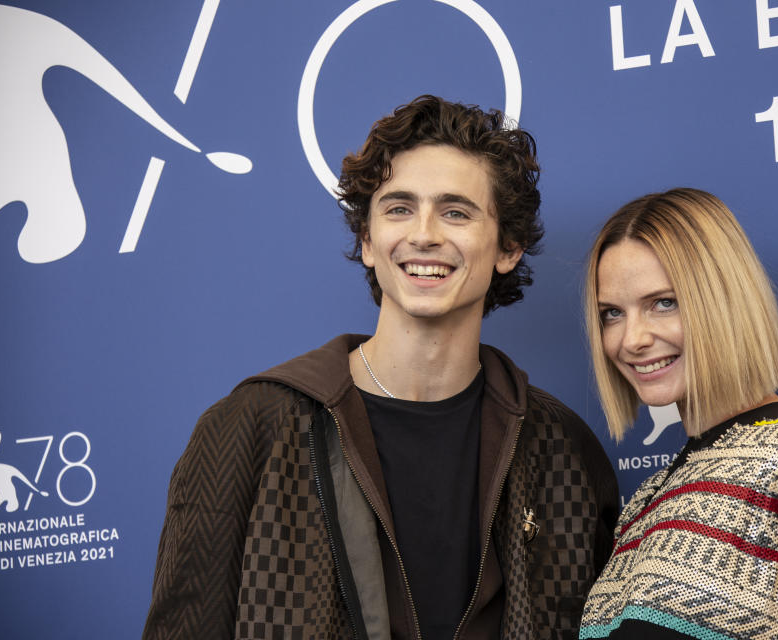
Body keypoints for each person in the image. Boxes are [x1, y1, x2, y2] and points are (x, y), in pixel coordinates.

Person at [142, 95, 618, 640]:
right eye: (398, 208)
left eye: (456, 212)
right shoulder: (249, 428)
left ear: (508, 247)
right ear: (368, 241)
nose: (423, 234)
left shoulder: (564, 451)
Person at [578, 189, 778, 640]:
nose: (632, 339)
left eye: (663, 303)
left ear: (722, 300)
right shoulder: (648, 501)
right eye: (612, 313)